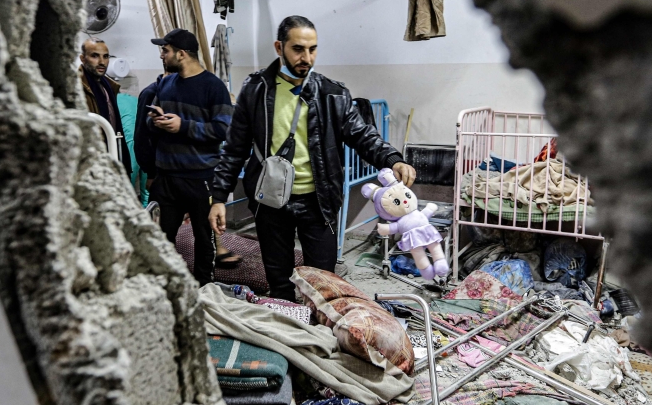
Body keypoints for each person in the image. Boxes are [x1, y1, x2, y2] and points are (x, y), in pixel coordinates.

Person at [209, 16, 417, 300]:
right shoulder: (256, 89)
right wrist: (219, 196)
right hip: (270, 202)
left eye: (312, 49)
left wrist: (393, 159)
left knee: (323, 284)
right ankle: (285, 331)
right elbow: (234, 147)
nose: (306, 57)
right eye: (298, 49)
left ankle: (319, 333)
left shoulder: (333, 93)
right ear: (279, 47)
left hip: (318, 201)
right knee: (279, 281)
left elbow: (363, 136)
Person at [139, 29, 233, 286]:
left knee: (204, 237)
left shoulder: (213, 87)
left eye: (165, 50)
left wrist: (183, 126)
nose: (161, 55)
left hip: (199, 177)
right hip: (167, 177)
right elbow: (152, 125)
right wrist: (155, 121)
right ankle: (164, 287)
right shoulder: (166, 84)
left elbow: (223, 130)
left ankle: (204, 288)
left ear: (181, 54)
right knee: (160, 237)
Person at [79, 38, 132, 174]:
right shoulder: (76, 87)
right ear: (83, 58)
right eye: (95, 56)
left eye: (106, 56)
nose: (102, 62)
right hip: (90, 161)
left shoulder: (109, 85)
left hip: (113, 152)